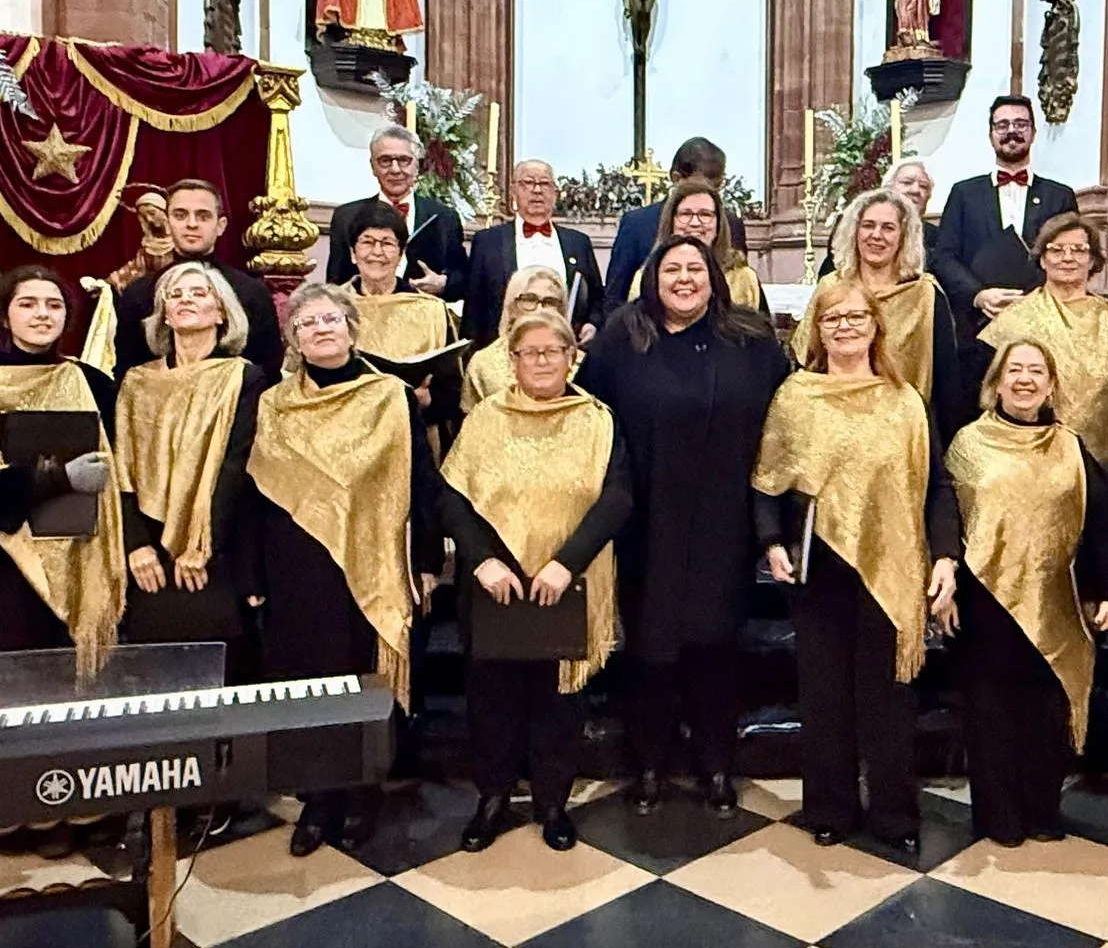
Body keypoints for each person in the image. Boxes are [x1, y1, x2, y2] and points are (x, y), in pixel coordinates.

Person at [581, 235, 790, 816]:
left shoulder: (750, 340)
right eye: (671, 269)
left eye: (694, 268)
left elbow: (780, 426)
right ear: (653, 279)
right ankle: (648, 763)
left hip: (725, 518)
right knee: (650, 646)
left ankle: (716, 764)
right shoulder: (623, 338)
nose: (683, 279)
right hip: (644, 517)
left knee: (717, 645)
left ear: (713, 278)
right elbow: (591, 420)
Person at [753, 277, 960, 856]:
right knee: (823, 696)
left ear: (876, 327)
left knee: (889, 695)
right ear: (815, 330)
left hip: (893, 565)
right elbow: (767, 481)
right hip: (819, 567)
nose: (844, 327)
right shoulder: (796, 396)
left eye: (855, 318)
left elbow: (938, 485)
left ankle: (894, 810)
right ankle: (829, 806)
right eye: (832, 318)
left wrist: (945, 555)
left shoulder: (905, 400)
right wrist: (772, 542)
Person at [246, 283, 444, 855]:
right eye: (308, 324)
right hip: (296, 562)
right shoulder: (274, 402)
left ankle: (361, 793)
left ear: (353, 329)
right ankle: (318, 798)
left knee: (363, 674)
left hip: (372, 555)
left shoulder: (390, 396)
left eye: (332, 319)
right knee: (308, 681)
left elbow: (419, 480)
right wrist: (254, 577)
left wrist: (427, 560)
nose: (322, 329)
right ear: (294, 341)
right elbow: (257, 493)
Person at [441, 308, 632, 852]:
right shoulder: (485, 418)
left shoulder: (598, 419)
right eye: (530, 352)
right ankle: (493, 798)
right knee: (491, 696)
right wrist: (481, 561)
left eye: (555, 351)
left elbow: (618, 499)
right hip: (494, 580)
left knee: (560, 696)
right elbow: (451, 496)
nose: (543, 360)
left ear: (573, 357)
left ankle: (552, 803)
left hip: (566, 581)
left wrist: (565, 562)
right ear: (512, 360)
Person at [945, 339, 1108, 846]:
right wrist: (946, 589)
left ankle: (1042, 809)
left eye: (1036, 371)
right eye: (1014, 370)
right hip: (984, 602)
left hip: (1055, 599)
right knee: (990, 712)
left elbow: (1102, 520)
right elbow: (945, 519)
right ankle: (997, 816)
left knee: (1047, 709)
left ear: (1051, 384)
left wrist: (1105, 589)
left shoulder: (1071, 446)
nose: (1024, 379)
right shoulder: (967, 445)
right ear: (996, 381)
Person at [0, 267, 123, 668]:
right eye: (27, 304)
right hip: (4, 568)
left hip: (83, 555)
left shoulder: (92, 382)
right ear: (5, 316)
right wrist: (60, 477)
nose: (42, 314)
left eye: (54, 305)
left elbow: (122, 468)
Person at [114, 262, 269, 655]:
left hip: (218, 547)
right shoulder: (137, 381)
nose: (186, 299)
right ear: (164, 313)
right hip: (149, 552)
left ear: (221, 313)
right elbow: (122, 468)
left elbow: (237, 469)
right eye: (176, 294)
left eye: (199, 293)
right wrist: (135, 545)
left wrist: (201, 544)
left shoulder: (243, 377)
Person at [977, 213, 1108, 462]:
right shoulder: (1014, 319)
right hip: (1030, 458)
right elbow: (985, 390)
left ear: (1092, 260)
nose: (1068, 258)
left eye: (1079, 250)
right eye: (1056, 250)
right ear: (1042, 260)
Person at [801, 188, 958, 419]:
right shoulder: (830, 287)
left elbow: (947, 382)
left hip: (903, 422)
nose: (876, 235)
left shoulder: (925, 294)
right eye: (868, 225)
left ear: (903, 237)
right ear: (854, 232)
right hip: (833, 418)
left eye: (888, 228)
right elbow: (809, 359)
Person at [933, 96, 1080, 338]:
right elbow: (944, 257)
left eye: (1021, 124)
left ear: (1033, 133)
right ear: (991, 135)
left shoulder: (1060, 196)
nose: (1011, 131)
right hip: (977, 324)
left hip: (1043, 322)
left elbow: (1071, 254)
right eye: (1002, 125)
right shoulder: (964, 193)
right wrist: (978, 295)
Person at [114, 178, 284, 377]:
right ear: (168, 223)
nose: (191, 224)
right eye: (180, 215)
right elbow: (127, 373)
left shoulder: (251, 292)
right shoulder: (139, 293)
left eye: (203, 216)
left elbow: (268, 370)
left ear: (220, 225)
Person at [338, 200, 460, 420]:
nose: (377, 252)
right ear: (352, 253)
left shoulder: (430, 310)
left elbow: (452, 392)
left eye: (387, 243)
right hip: (343, 426)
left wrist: (426, 401)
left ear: (401, 254)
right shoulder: (331, 308)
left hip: (414, 430)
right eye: (367, 242)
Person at [461, 159, 605, 343]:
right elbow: (474, 306)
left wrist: (592, 324)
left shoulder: (578, 243)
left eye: (544, 183)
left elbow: (597, 298)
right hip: (504, 352)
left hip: (566, 349)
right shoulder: (488, 242)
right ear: (513, 191)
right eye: (528, 183)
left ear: (555, 193)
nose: (537, 190)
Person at [605, 137, 749, 310]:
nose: (709, 194)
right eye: (701, 185)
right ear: (676, 178)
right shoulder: (637, 225)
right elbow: (615, 297)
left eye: (717, 186)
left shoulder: (731, 224)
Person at [324, 124, 468, 295]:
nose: (395, 169)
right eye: (385, 161)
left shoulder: (444, 217)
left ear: (417, 165)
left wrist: (444, 283)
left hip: (424, 315)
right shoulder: (346, 217)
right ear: (372, 166)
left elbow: (464, 278)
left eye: (403, 160)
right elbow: (335, 283)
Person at [625, 179, 768, 314]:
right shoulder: (645, 278)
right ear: (671, 221)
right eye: (686, 214)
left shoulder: (742, 278)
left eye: (705, 215)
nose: (695, 223)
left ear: (718, 225)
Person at [462, 268, 573, 414]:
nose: (539, 309)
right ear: (512, 306)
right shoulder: (483, 362)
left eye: (550, 302)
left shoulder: (579, 362)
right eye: (529, 299)